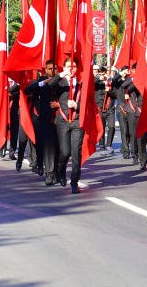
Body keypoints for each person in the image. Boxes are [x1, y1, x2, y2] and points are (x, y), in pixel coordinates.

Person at [24, 60, 60, 185]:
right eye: (49, 68)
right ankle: (49, 173)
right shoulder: (42, 82)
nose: (52, 71)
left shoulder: (62, 80)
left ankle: (57, 171)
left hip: (62, 118)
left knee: (60, 149)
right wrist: (42, 83)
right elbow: (27, 90)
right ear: (45, 69)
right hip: (46, 118)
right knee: (48, 147)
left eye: (54, 68)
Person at [54, 58, 85, 193]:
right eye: (68, 66)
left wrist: (77, 105)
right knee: (65, 152)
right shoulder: (60, 82)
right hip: (63, 122)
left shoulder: (82, 83)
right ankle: (60, 171)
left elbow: (88, 103)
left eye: (73, 67)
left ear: (77, 68)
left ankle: (74, 182)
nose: (71, 69)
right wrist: (61, 75)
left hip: (77, 121)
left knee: (76, 153)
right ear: (64, 67)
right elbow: (48, 87)